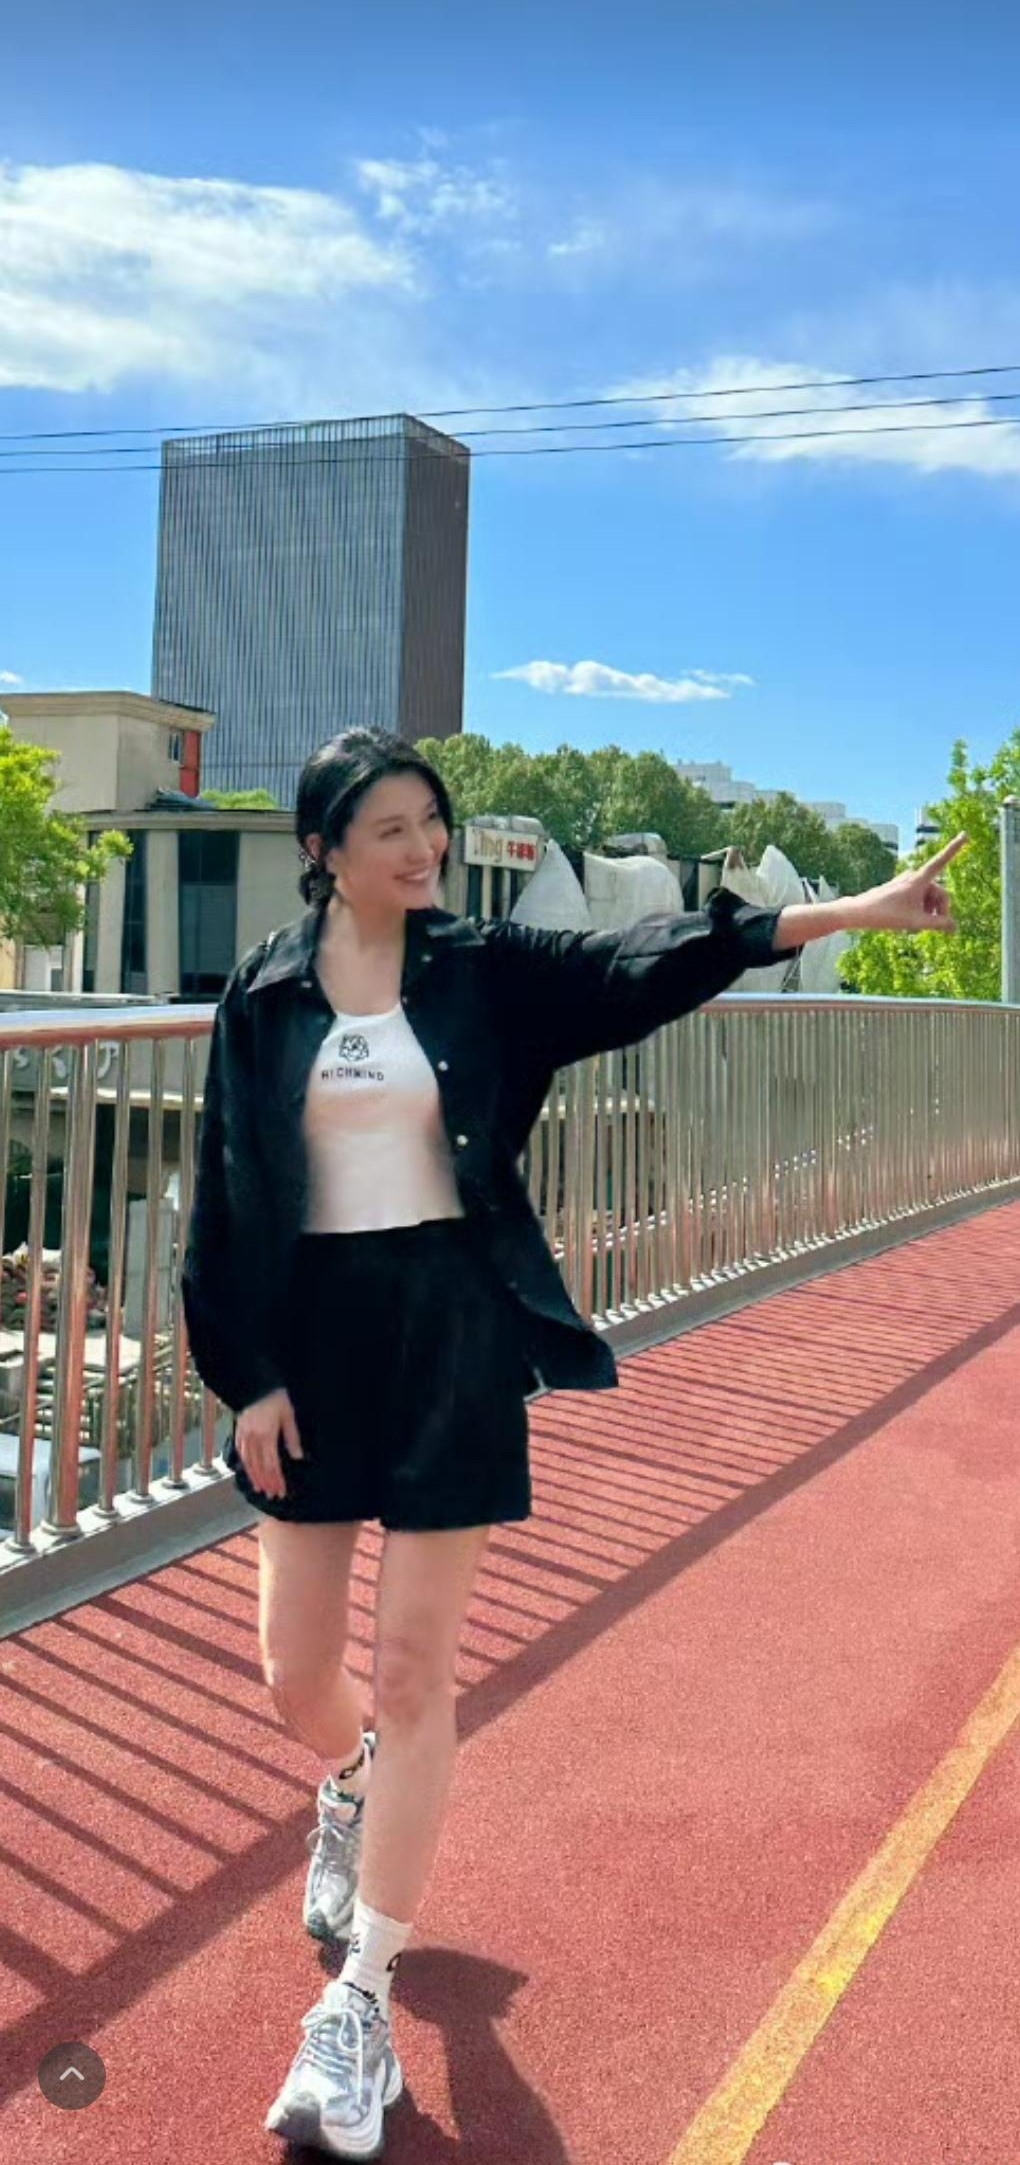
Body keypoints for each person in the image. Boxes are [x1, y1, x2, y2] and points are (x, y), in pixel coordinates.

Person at [181, 727, 965, 2159]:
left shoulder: (482, 968)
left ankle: (361, 2004)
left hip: (452, 1335)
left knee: (416, 1670)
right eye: (392, 829)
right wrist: (246, 1376)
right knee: (295, 1668)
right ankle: (351, 1783)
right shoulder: (265, 990)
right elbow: (225, 1192)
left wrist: (849, 913)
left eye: (433, 821)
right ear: (323, 848)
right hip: (315, 1351)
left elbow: (641, 962)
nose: (425, 848)